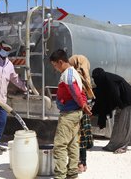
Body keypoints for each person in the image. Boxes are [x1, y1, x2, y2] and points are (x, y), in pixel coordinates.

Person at [49, 49, 92, 179]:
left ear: (60, 62)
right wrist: (83, 105)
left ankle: (60, 175)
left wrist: (83, 105)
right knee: (73, 144)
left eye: (55, 65)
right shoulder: (74, 72)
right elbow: (82, 92)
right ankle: (72, 173)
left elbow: (75, 92)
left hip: (69, 115)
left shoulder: (67, 75)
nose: (55, 68)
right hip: (76, 113)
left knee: (60, 145)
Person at [91, 67, 131, 154]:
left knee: (123, 124)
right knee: (119, 123)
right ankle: (115, 144)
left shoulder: (109, 80)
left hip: (127, 102)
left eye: (95, 78)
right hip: (124, 102)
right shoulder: (105, 80)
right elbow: (101, 97)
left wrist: (120, 107)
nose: (95, 80)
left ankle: (122, 145)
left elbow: (115, 95)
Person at [68, 55, 95, 173]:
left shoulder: (75, 76)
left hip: (76, 110)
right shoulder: (86, 76)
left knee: (75, 137)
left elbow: (76, 95)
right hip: (85, 110)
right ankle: (83, 163)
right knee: (82, 137)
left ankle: (77, 163)